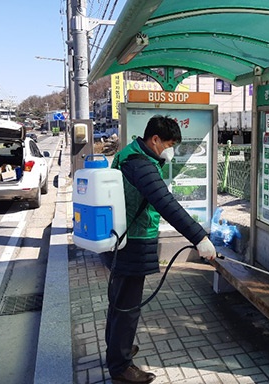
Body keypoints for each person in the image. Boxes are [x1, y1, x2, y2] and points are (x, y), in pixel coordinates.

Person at [104, 115, 216, 384]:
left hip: (123, 239)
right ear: (154, 139)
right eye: (169, 143)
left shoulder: (130, 155)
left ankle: (116, 348)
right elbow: (166, 204)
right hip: (134, 242)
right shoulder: (141, 166)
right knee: (128, 307)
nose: (171, 150)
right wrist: (200, 238)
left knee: (120, 302)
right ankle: (120, 367)